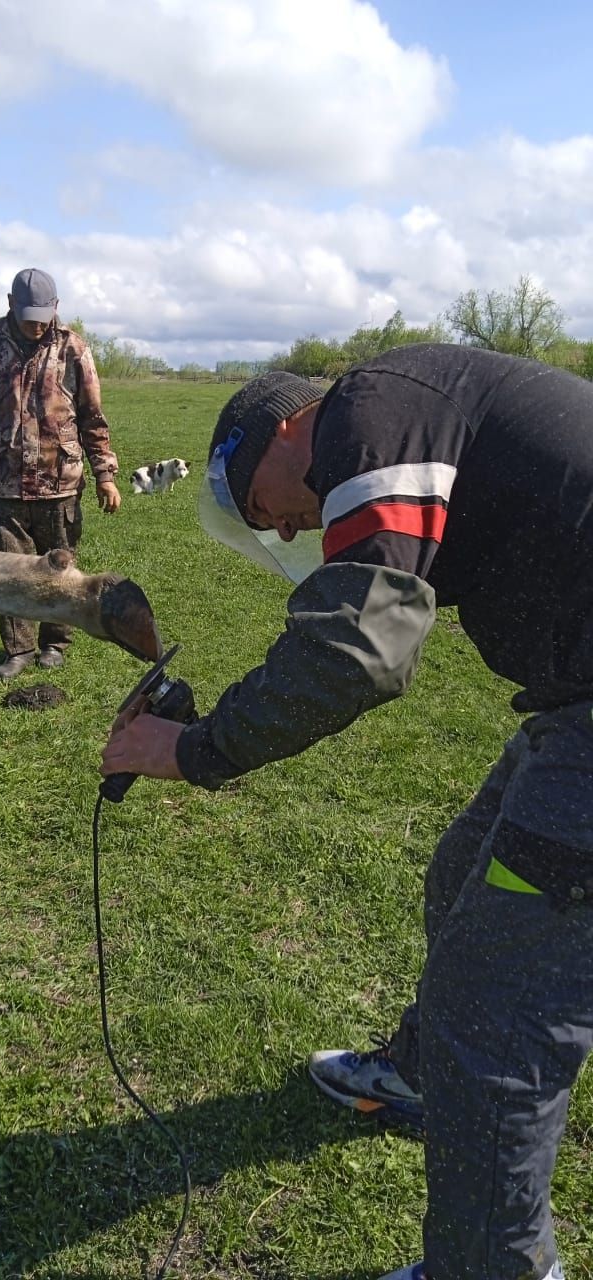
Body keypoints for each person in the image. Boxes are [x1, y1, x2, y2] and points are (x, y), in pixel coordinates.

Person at [101, 347, 593, 1280]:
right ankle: (419, 1077)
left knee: (498, 1022)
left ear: (283, 430)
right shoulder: (407, 410)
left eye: (262, 506)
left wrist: (193, 750)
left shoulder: (365, 416)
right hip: (576, 701)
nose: (278, 525)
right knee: (463, 870)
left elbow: (357, 652)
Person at [0, 268, 121, 679]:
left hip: (60, 483)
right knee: (10, 572)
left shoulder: (73, 348)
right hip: (4, 484)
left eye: (43, 315)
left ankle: (55, 644)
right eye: (28, 315)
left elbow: (93, 417)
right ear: (10, 305)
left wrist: (105, 474)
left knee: (59, 568)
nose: (37, 324)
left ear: (55, 308)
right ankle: (18, 650)